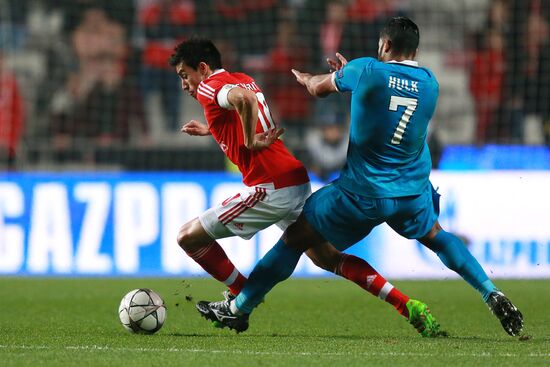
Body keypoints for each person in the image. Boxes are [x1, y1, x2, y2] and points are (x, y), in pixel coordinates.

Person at [196, 17, 524, 337]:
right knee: (437, 236)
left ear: (386, 44)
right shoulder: (430, 82)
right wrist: (351, 73)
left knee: (296, 238)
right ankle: (490, 292)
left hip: (362, 193)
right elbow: (389, 101)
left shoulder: (365, 69)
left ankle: (238, 308)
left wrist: (319, 76)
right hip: (411, 192)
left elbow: (317, 88)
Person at [169, 37, 442, 336]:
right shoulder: (244, 79)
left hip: (270, 186)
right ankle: (406, 304)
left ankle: (241, 295)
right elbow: (246, 105)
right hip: (294, 179)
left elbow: (242, 104)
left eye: (185, 75)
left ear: (204, 68)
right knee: (327, 257)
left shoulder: (210, 86)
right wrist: (213, 129)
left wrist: (248, 140)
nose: (184, 85)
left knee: (187, 237)